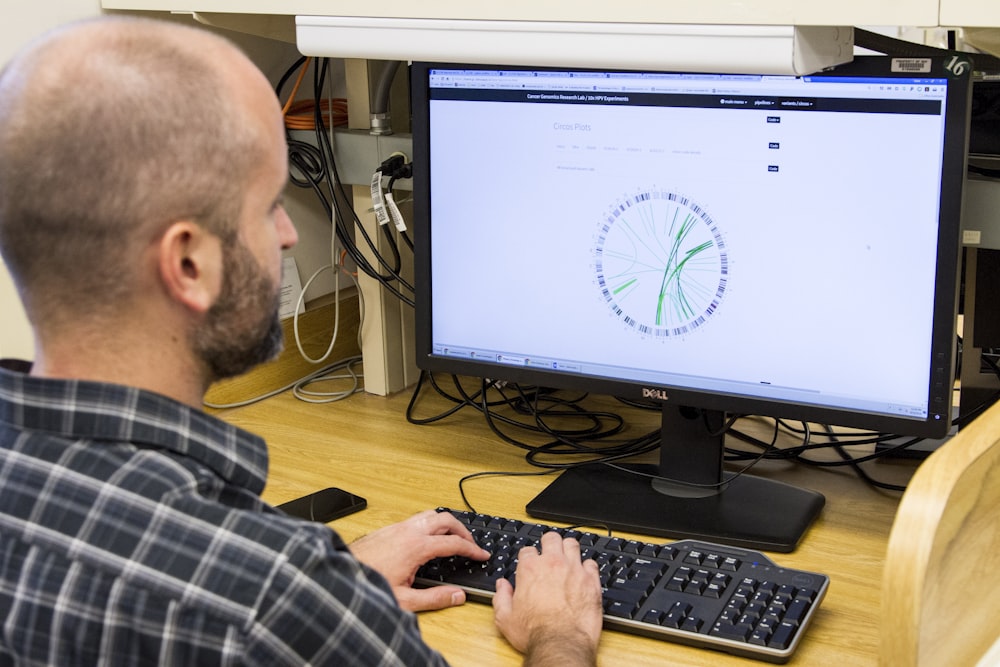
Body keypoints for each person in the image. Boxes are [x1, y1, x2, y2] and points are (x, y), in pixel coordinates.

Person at [0, 15, 603, 667]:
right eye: (267, 206)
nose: (288, 234)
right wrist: (558, 631)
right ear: (188, 264)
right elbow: (255, 600)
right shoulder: (269, 603)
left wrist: (333, 573)